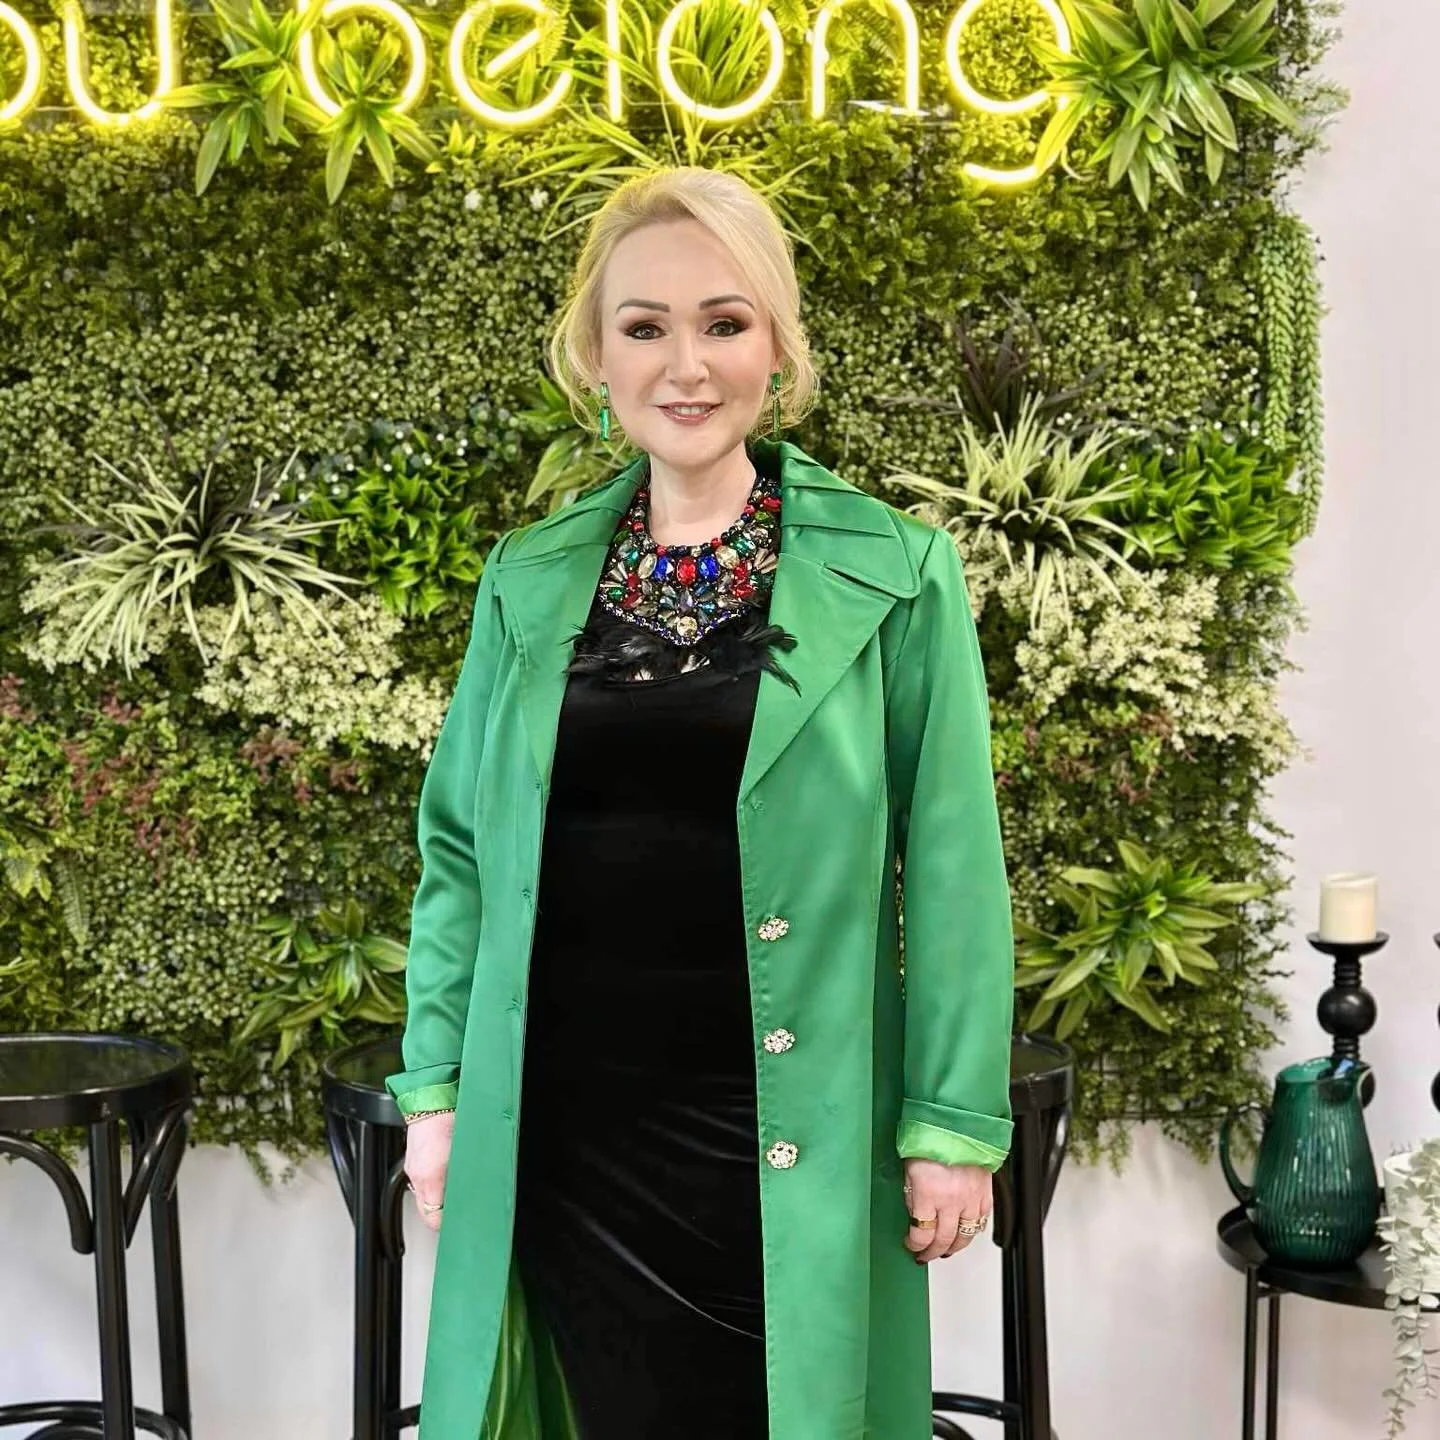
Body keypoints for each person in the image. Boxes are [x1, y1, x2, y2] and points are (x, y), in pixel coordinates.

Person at [385, 165, 1016, 1440]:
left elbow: (953, 863)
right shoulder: (527, 578)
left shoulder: (896, 573)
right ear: (596, 356)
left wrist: (952, 1124)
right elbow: (460, 852)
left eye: (724, 323)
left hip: (786, 1128)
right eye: (645, 327)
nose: (686, 365)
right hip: (565, 1133)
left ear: (777, 346)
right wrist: (438, 1093)